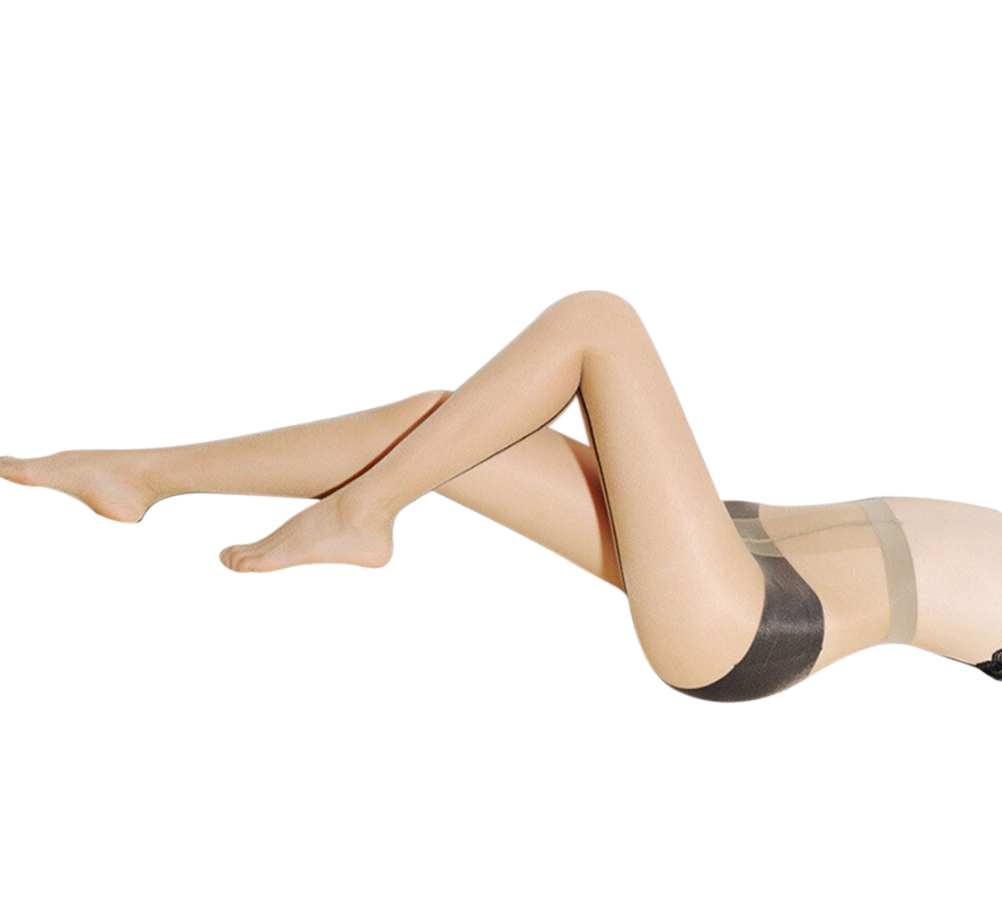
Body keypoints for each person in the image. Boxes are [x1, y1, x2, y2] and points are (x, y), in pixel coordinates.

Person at [2, 290, 1000, 700]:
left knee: (598, 324)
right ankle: (141, 477)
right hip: (746, 535)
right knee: (446, 428)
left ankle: (360, 517)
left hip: (753, 616)